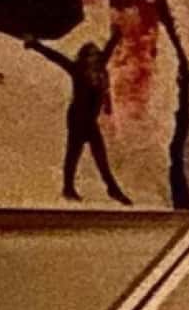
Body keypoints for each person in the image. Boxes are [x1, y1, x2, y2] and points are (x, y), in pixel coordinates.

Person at [27, 31, 130, 203]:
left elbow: (108, 49)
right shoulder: (77, 70)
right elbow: (57, 57)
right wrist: (35, 45)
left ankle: (111, 189)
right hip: (77, 119)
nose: (94, 59)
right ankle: (72, 188)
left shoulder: (100, 69)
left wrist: (117, 35)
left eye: (96, 55)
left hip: (90, 120)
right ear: (84, 59)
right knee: (74, 154)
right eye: (91, 56)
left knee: (99, 155)